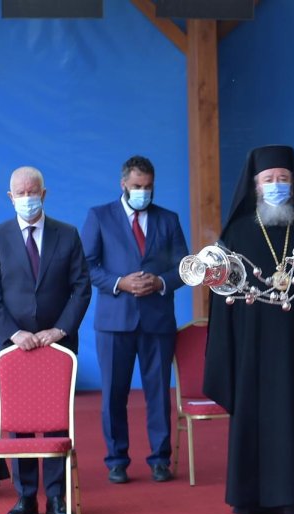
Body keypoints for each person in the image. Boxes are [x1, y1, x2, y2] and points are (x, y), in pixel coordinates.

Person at [203, 145, 294, 514]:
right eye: (268, 180)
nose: (276, 185)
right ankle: (248, 496)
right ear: (255, 185)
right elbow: (222, 297)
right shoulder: (236, 231)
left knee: (293, 410)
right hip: (251, 344)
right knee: (253, 411)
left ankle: (293, 495)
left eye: (282, 179)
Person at [0, 166, 91, 514]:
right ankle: (26, 496)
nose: (27, 198)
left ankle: (57, 496)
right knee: (20, 420)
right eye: (20, 193)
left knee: (57, 420)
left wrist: (59, 329)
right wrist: (15, 333)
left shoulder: (68, 234)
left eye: (33, 192)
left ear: (44, 193)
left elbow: (81, 288)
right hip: (15, 345)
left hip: (57, 342)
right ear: (10, 197)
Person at [81, 156, 188, 485]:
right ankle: (116, 459)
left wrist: (160, 282)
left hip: (157, 319)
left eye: (149, 186)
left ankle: (160, 459)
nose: (143, 191)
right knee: (114, 394)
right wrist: (120, 283)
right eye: (137, 186)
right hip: (114, 321)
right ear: (123, 183)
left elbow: (185, 266)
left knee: (158, 392)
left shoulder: (168, 219)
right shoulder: (99, 216)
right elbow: (87, 265)